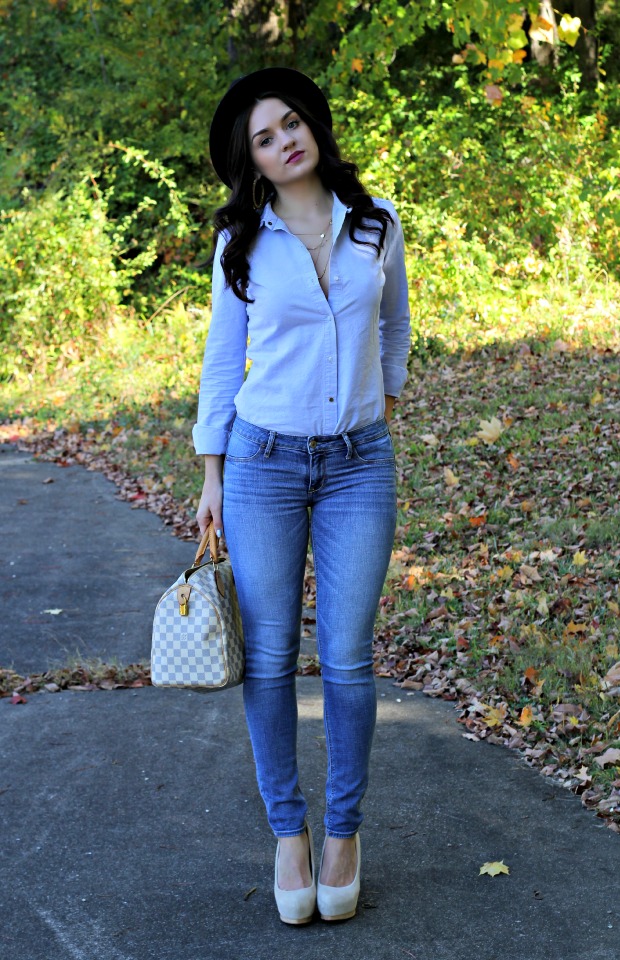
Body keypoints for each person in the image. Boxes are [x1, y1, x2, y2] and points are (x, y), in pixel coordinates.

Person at [193, 67, 410, 925]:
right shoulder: (241, 244)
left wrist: (378, 401)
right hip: (262, 464)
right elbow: (221, 362)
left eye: (293, 123)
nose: (287, 140)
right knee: (274, 656)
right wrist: (212, 475)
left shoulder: (375, 224)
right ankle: (289, 834)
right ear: (252, 162)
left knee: (350, 658)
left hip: (360, 465)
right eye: (265, 136)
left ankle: (344, 832)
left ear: (313, 126)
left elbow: (393, 325)